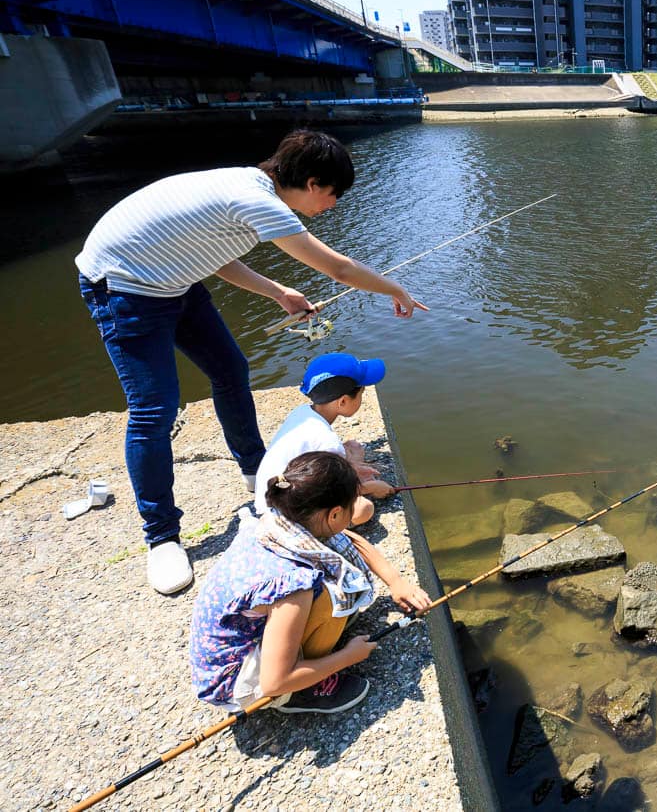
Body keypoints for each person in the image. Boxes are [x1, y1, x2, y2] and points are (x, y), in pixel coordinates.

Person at [75, 129, 428, 595]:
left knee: (230, 371)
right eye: (333, 194)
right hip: (124, 289)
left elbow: (214, 255)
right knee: (153, 410)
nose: (333, 206)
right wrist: (395, 290)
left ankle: (255, 470)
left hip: (177, 281)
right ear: (313, 182)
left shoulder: (250, 188)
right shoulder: (257, 201)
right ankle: (161, 536)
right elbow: (339, 269)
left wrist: (278, 292)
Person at [189, 451, 433, 714]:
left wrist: (397, 582)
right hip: (240, 680)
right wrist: (347, 657)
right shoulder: (294, 584)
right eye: (354, 504)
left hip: (227, 649)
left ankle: (304, 656)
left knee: (334, 586)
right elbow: (274, 681)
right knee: (333, 596)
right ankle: (301, 692)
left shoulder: (281, 521)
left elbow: (350, 541)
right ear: (335, 514)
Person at [253, 352, 396, 527]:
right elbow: (331, 492)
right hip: (283, 506)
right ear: (342, 402)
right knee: (364, 509)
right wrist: (374, 488)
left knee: (353, 447)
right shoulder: (327, 443)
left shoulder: (302, 411)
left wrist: (353, 469)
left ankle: (348, 474)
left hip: (278, 485)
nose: (362, 399)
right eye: (361, 393)